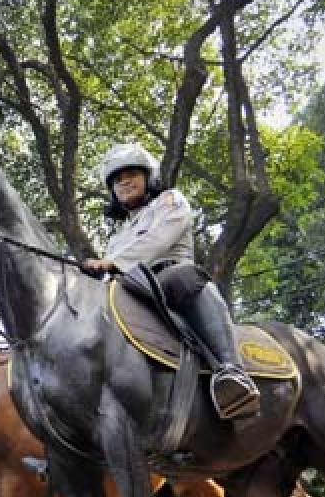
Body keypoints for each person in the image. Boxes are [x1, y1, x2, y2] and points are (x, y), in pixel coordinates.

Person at [82, 144, 259, 420]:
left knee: (185, 277)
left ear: (149, 177)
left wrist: (111, 263)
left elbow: (158, 238)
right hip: (131, 290)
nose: (124, 182)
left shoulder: (169, 201)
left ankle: (231, 371)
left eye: (131, 174)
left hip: (170, 280)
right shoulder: (116, 236)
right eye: (117, 179)